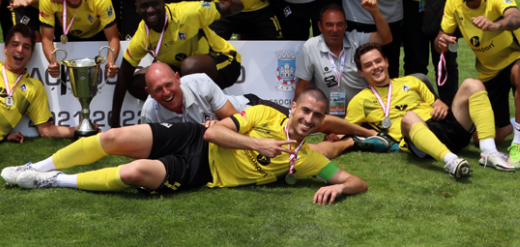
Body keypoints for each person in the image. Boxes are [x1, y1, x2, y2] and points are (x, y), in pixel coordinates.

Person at [2, 89, 368, 204]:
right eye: (306, 110)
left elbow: (357, 182)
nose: (309, 119)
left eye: (317, 117)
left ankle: (54, 181)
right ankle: (41, 166)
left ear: (321, 123)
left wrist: (337, 185)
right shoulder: (261, 115)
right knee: (113, 137)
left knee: (134, 172)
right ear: (294, 107)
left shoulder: (303, 159)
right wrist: (259, 144)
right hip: (193, 136)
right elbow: (213, 132)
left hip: (201, 172)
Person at [140, 63, 393, 158]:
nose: (166, 93)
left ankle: (368, 133)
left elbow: (232, 120)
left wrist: (218, 128)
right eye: (157, 90)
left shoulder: (200, 83)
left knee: (308, 119)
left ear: (178, 78)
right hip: (223, 139)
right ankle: (350, 143)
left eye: (169, 85)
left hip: (250, 111)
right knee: (297, 151)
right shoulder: (149, 113)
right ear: (148, 92)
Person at [435, 0, 520, 169]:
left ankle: (518, 147)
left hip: (517, 59)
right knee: (482, 139)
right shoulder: (453, 2)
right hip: (489, 73)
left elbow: (517, 17)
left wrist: (497, 25)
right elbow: (442, 35)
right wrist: (441, 41)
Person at [347, 43, 516, 177]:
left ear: (386, 61)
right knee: (409, 117)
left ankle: (489, 152)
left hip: (445, 127)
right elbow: (344, 127)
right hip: (418, 140)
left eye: (378, 61)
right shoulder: (360, 100)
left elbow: (437, 103)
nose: (375, 67)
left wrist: (441, 107)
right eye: (368, 65)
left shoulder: (412, 81)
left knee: (473, 84)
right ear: (361, 72)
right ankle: (451, 161)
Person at [111, 0, 243, 128]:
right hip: (184, 73)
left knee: (190, 66)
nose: (150, 10)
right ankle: (177, 117)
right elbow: (123, 78)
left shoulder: (188, 12)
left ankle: (206, 114)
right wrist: (114, 123)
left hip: (223, 62)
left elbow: (238, 7)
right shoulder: (142, 37)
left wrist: (230, 1)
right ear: (136, 8)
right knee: (136, 83)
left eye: (155, 4)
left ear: (163, 2)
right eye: (144, 6)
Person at [0, 24, 81, 146]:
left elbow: (46, 130)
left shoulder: (33, 87)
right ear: (5, 48)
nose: (20, 50)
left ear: (30, 54)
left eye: (26, 47)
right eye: (15, 44)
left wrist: (77, 130)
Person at [295, 0, 392, 117]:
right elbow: (303, 86)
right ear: (320, 26)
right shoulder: (310, 47)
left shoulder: (356, 39)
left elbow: (385, 38)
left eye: (340, 24)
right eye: (329, 24)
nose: (335, 30)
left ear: (345, 26)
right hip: (331, 116)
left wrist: (375, 11)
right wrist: (295, 115)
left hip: (364, 110)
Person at [38, 0, 121, 78]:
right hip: (66, 35)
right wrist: (53, 63)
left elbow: (113, 38)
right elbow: (47, 39)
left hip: (96, 34)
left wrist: (110, 63)